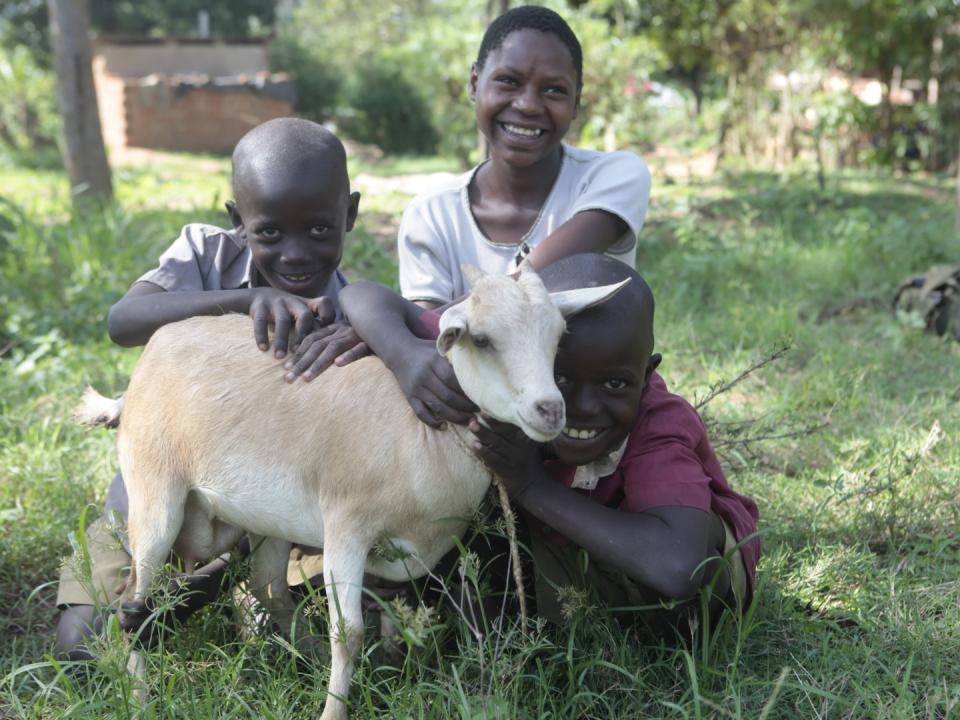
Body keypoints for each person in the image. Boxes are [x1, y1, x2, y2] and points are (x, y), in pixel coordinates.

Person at [55, 117, 365, 659]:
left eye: (319, 230)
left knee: (321, 630)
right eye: (269, 232)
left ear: (350, 215)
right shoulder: (207, 254)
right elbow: (124, 320)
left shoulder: (351, 313)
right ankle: (189, 583)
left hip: (278, 519)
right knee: (82, 648)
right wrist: (242, 302)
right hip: (160, 489)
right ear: (239, 221)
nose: (295, 255)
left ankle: (225, 585)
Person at [339, 253, 760, 627]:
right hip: (562, 554)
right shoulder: (515, 346)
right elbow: (362, 296)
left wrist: (530, 486)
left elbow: (678, 567)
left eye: (615, 383)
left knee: (692, 562)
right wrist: (405, 355)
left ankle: (603, 627)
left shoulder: (659, 424)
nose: (577, 406)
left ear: (647, 376)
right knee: (473, 484)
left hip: (680, 584)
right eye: (558, 376)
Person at [398, 5, 651, 309]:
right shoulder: (432, 214)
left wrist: (413, 322)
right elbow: (425, 341)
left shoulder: (613, 175)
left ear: (576, 102)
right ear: (475, 83)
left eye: (554, 90)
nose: (529, 105)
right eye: (508, 81)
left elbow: (427, 324)